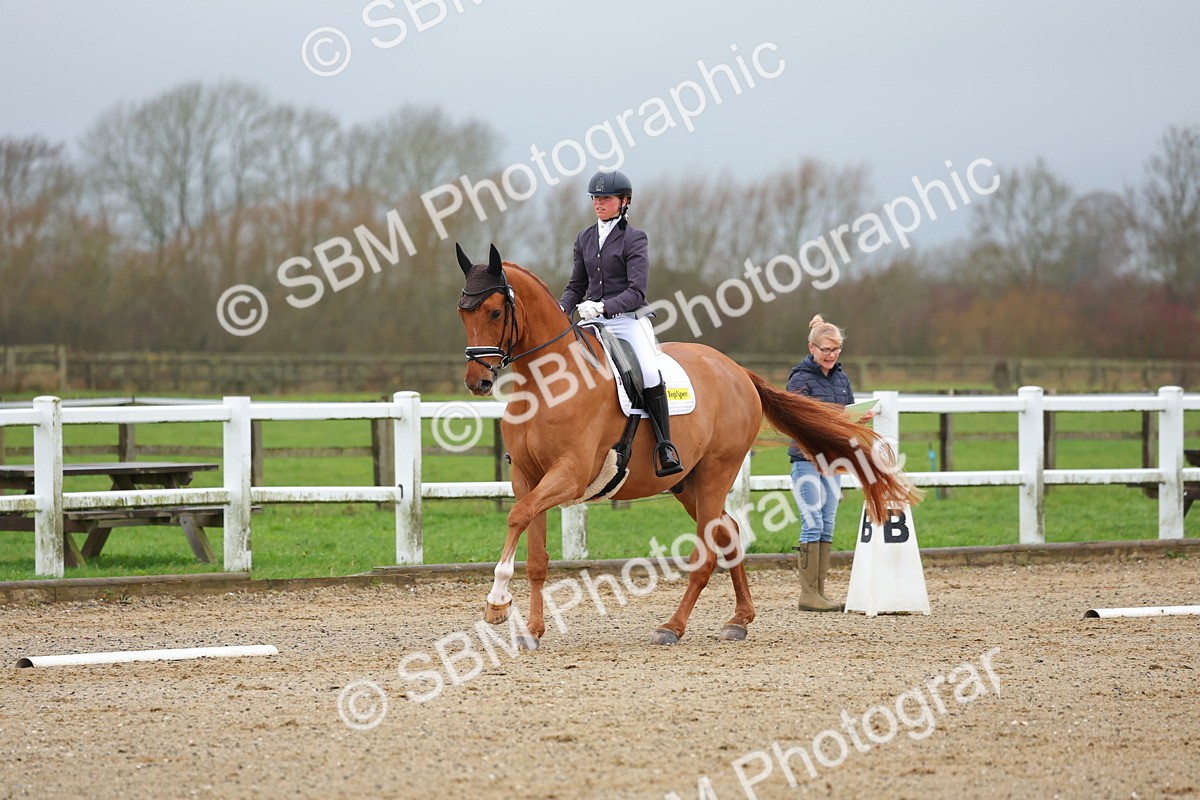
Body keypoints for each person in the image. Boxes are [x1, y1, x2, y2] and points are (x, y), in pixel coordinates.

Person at [559, 169, 682, 477]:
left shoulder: (634, 238)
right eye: (595, 198)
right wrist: (562, 310)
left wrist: (603, 306)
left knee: (651, 372)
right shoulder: (584, 238)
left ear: (624, 201)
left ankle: (665, 445)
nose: (599, 203)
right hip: (592, 319)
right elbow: (576, 285)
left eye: (606, 198)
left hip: (628, 320)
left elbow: (636, 290)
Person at [787, 314, 875, 612]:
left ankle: (819, 592)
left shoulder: (840, 377)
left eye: (836, 349)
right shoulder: (800, 378)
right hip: (807, 460)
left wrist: (858, 419)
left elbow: (844, 413)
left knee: (827, 523)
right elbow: (797, 421)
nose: (831, 355)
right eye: (826, 349)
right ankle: (808, 593)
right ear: (812, 348)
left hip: (832, 460)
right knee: (811, 523)